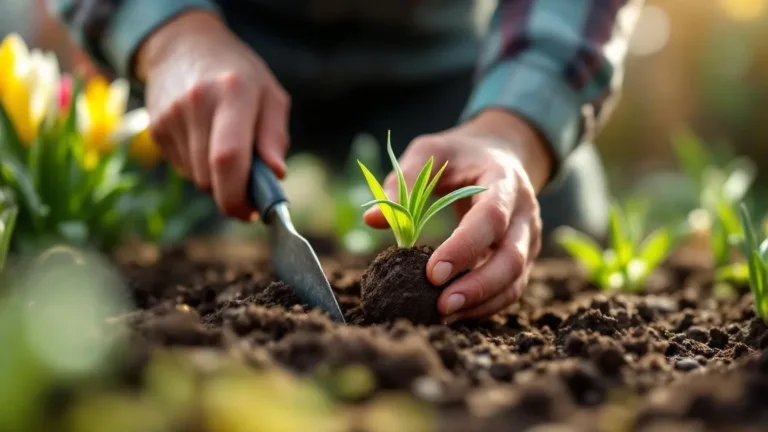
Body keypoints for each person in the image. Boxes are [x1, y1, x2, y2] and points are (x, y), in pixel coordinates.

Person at [50, 0, 644, 323]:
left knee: (557, 225)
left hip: (437, 45)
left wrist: (515, 127)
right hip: (220, 35)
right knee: (115, 235)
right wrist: (166, 33)